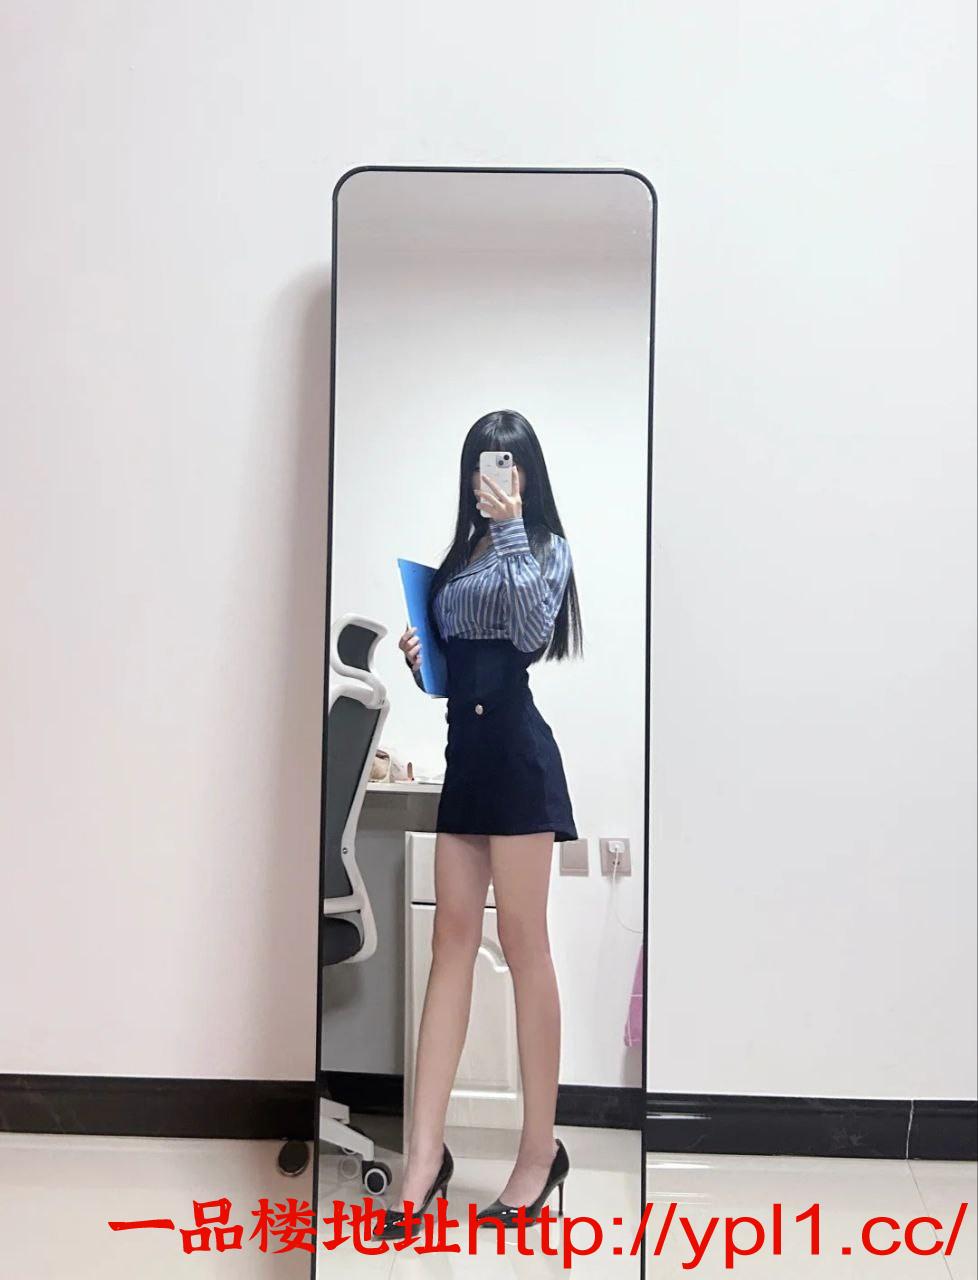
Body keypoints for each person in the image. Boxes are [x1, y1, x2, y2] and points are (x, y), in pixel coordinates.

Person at [376, 409, 582, 1239]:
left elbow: (530, 631)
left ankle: (539, 1153)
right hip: (466, 756)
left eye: (507, 464)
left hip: (519, 759)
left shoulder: (545, 548)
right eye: (481, 465)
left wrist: (510, 528)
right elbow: (459, 668)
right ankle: (424, 1157)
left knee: (525, 947)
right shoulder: (461, 557)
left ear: (527, 473)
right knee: (450, 947)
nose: (491, 478)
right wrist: (425, 662)